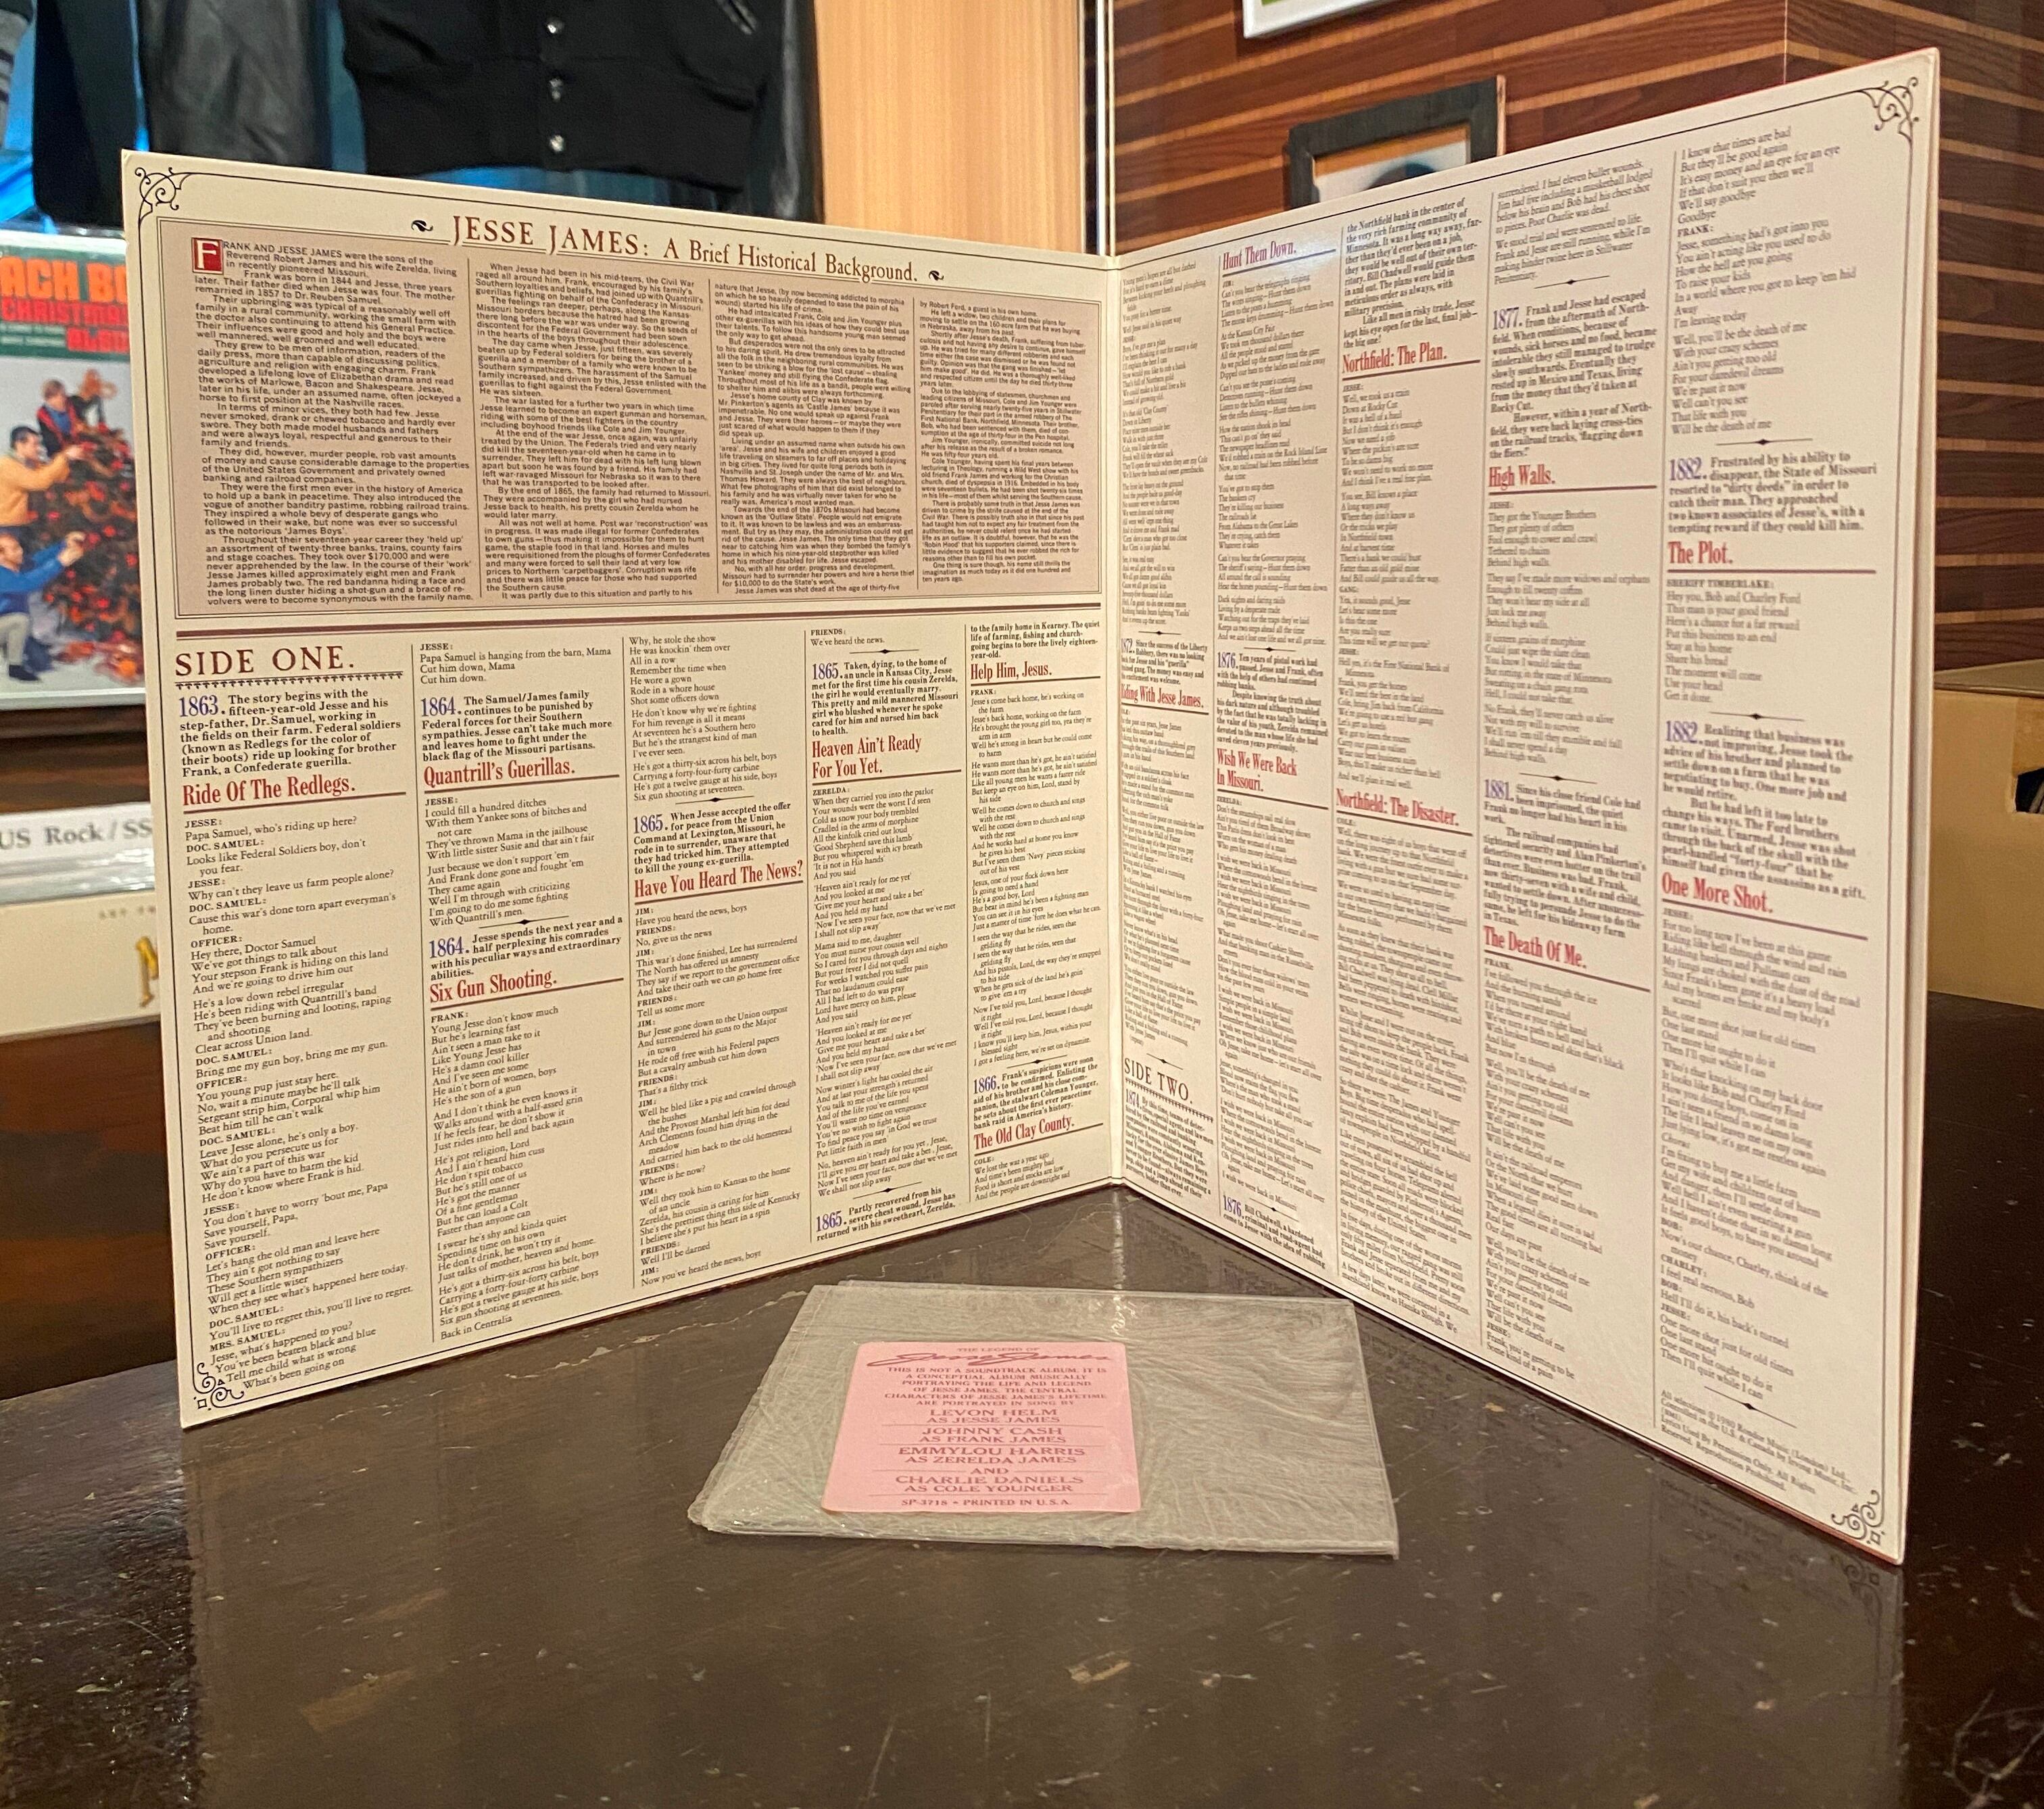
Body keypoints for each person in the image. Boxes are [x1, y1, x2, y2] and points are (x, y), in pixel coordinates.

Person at [0, 527, 85, 681]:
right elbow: (27, 583)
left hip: (8, 627)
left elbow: (37, 561)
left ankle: (19, 662)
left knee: (42, 663)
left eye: (19, 547)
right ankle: (15, 666)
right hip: (7, 626)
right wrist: (60, 562)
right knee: (20, 620)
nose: (20, 551)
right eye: (14, 549)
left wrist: (64, 544)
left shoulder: (15, 566)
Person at [0, 425, 73, 533]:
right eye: (35, 444)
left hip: (21, 523)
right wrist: (64, 457)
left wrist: (68, 461)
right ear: (20, 445)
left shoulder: (29, 464)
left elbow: (52, 475)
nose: (38, 449)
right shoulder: (7, 465)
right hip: (6, 526)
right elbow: (39, 482)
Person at [36, 379, 78, 456]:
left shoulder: (75, 403)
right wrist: (67, 453)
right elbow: (50, 443)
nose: (62, 399)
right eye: (57, 397)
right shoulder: (43, 415)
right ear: (49, 400)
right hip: (61, 452)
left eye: (63, 395)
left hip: (82, 444)